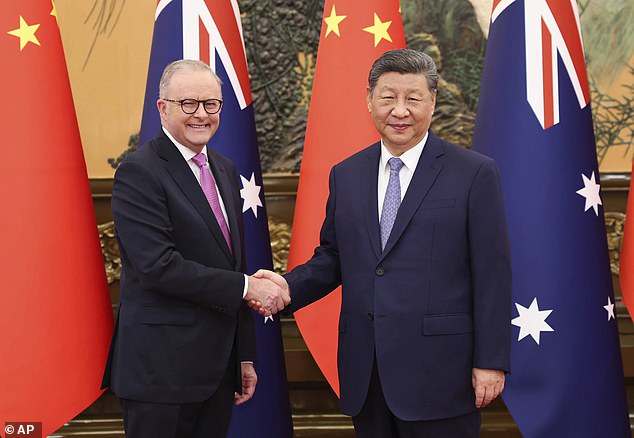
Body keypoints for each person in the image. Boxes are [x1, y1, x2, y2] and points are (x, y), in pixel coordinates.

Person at [256, 49, 511, 437]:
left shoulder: (474, 173)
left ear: (432, 102)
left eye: (413, 98)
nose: (400, 110)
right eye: (388, 97)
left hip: (442, 374)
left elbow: (492, 274)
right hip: (368, 372)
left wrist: (491, 360)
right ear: (370, 100)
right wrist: (287, 287)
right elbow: (335, 256)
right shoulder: (347, 174)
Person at [101, 59, 290, 438]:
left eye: (211, 104)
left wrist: (243, 355)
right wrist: (248, 287)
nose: (201, 114)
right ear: (163, 108)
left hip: (217, 371)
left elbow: (233, 262)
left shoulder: (224, 168)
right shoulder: (139, 172)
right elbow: (158, 267)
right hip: (161, 373)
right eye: (188, 103)